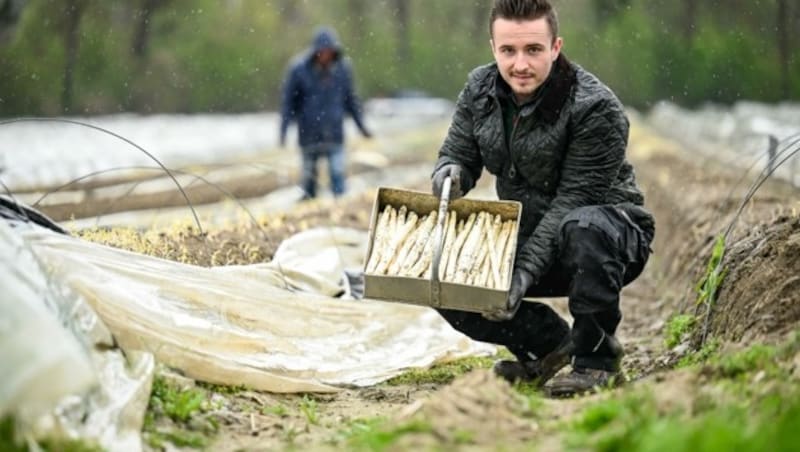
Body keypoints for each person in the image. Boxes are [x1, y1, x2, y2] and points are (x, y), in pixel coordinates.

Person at [430, 0, 655, 396]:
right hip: (530, 229)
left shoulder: (594, 107)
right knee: (443, 272)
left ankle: (596, 360)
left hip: (607, 239)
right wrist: (450, 172)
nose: (520, 64)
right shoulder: (479, 89)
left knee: (583, 226)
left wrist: (522, 274)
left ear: (555, 47)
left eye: (533, 50)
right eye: (508, 51)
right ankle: (550, 343)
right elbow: (459, 152)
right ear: (493, 48)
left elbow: (572, 201)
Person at [279, 26, 371, 200]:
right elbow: (288, 103)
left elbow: (351, 100)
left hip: (334, 132)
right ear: (315, 51)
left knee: (338, 175)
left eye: (329, 52)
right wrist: (283, 131)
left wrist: (362, 127)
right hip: (308, 133)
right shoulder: (298, 70)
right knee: (309, 179)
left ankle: (340, 205)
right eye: (322, 52)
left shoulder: (343, 69)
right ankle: (309, 202)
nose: (325, 55)